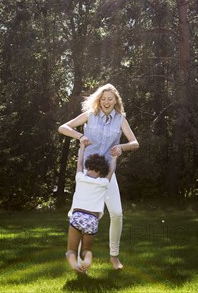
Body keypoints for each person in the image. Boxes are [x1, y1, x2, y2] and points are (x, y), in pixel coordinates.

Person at [59, 83, 139, 270]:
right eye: (103, 98)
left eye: (110, 99)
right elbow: (63, 127)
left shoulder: (120, 119)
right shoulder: (90, 115)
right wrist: (80, 137)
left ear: (115, 101)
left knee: (117, 213)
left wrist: (121, 147)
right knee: (79, 214)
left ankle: (114, 257)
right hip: (88, 173)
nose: (106, 101)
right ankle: (79, 262)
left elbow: (135, 143)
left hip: (107, 174)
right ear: (99, 100)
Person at [66, 142, 117, 273]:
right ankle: (87, 260)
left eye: (90, 169)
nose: (88, 170)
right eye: (88, 168)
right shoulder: (103, 182)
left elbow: (79, 163)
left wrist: (82, 148)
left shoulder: (80, 178)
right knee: (86, 250)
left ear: (99, 172)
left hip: (77, 216)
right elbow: (111, 170)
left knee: (71, 250)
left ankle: (74, 265)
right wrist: (114, 158)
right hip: (92, 220)